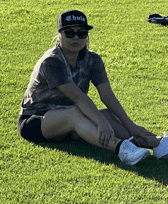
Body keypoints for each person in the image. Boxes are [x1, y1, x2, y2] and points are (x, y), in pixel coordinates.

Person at [18, 10, 168, 165]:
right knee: (77, 113)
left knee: (110, 115)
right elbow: (78, 97)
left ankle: (156, 143)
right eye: (69, 33)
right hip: (36, 121)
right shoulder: (51, 61)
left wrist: (132, 126)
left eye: (81, 33)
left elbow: (107, 95)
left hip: (71, 122)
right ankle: (122, 149)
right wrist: (101, 122)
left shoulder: (93, 59)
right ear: (59, 35)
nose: (76, 37)